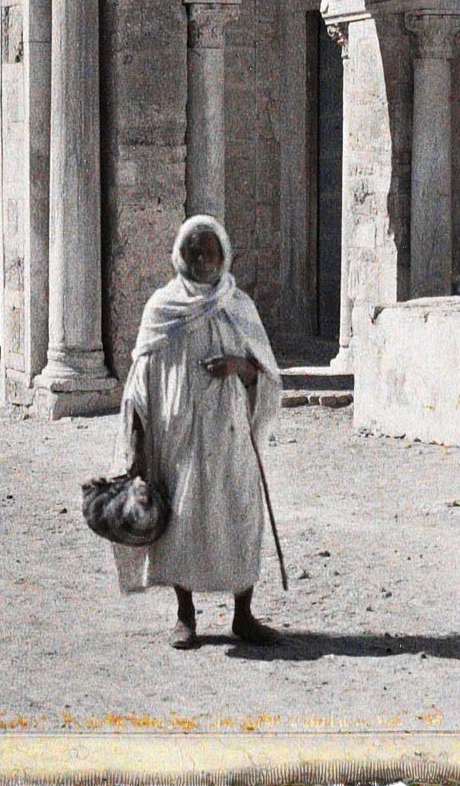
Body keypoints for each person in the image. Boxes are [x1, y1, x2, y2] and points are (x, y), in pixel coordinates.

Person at [113, 214, 283, 648]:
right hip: (179, 438)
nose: (202, 257)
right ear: (179, 256)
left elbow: (266, 375)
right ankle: (185, 616)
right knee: (181, 522)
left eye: (210, 250)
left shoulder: (237, 306)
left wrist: (238, 367)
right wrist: (136, 440)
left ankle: (243, 615)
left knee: (240, 515)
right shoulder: (162, 308)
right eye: (193, 250)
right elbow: (139, 380)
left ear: (224, 255)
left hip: (228, 437)